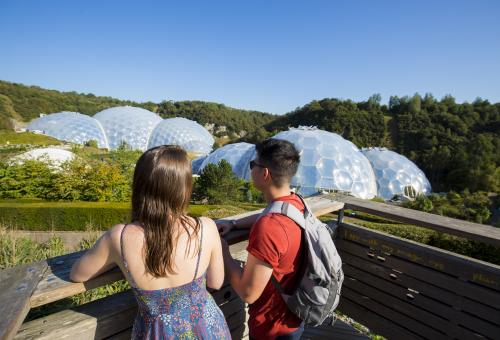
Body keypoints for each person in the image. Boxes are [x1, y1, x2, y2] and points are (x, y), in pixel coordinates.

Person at [70, 145, 231, 340]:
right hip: (207, 328)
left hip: (157, 333)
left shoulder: (118, 237)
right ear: (184, 187)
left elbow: (78, 274)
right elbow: (215, 282)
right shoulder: (206, 227)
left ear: (140, 185)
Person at [217, 138, 304, 340]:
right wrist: (235, 224)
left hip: (272, 329)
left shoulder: (269, 227)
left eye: (252, 165)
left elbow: (248, 293)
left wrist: (223, 253)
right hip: (294, 317)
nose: (251, 169)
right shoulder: (295, 204)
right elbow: (268, 214)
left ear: (264, 173)